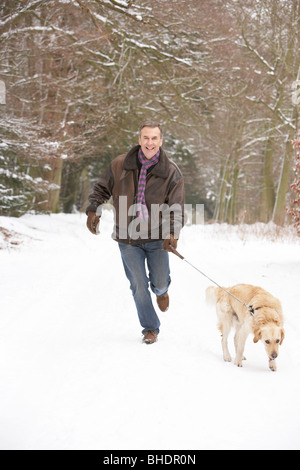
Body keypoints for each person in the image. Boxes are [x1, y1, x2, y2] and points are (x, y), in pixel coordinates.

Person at [86, 121, 185, 344]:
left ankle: (162, 291)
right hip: (127, 238)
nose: (150, 143)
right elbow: (101, 188)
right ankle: (150, 328)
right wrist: (94, 209)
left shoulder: (171, 171)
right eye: (146, 138)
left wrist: (172, 234)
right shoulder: (120, 165)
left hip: (156, 238)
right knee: (138, 284)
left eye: (154, 138)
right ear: (140, 140)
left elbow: (176, 207)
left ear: (161, 141)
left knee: (158, 281)